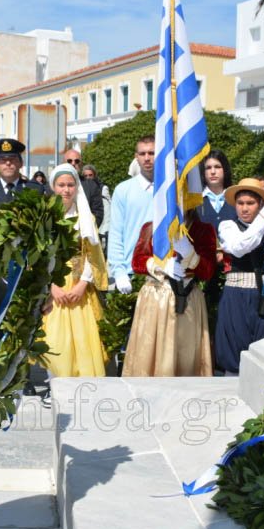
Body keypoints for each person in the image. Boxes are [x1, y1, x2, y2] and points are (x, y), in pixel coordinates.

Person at [121, 209, 217, 377]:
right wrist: (160, 265)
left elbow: (208, 271)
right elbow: (137, 261)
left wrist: (191, 256)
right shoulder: (151, 227)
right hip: (156, 297)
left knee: (185, 355)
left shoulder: (204, 230)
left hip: (187, 298)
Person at [214, 179, 264, 375]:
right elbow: (240, 248)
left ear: (259, 204)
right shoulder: (228, 225)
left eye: (250, 203)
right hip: (236, 298)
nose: (244, 209)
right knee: (233, 358)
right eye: (240, 203)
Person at [40, 164, 108, 378]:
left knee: (83, 342)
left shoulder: (86, 220)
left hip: (79, 285)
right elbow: (39, 257)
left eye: (70, 185)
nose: (66, 190)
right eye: (61, 185)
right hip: (54, 286)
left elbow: (92, 253)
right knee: (55, 341)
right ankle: (55, 386)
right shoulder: (43, 220)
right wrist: (51, 287)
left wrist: (82, 285)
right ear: (53, 187)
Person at [106, 136, 156, 294]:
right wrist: (119, 272)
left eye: (151, 153)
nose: (147, 158)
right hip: (131, 273)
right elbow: (115, 233)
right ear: (136, 157)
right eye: (142, 154)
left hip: (164, 272)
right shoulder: (123, 190)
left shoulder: (170, 190)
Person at [62, 148, 104, 227]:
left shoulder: (91, 185)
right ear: (63, 163)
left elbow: (98, 212)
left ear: (81, 164)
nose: (73, 163)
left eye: (77, 161)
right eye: (69, 161)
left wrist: (87, 230)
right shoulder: (54, 186)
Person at [81, 164, 111, 251]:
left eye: (90, 175)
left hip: (100, 227)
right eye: (86, 175)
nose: (88, 177)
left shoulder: (102, 188)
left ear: (94, 175)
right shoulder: (82, 188)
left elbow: (107, 210)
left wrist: (104, 230)